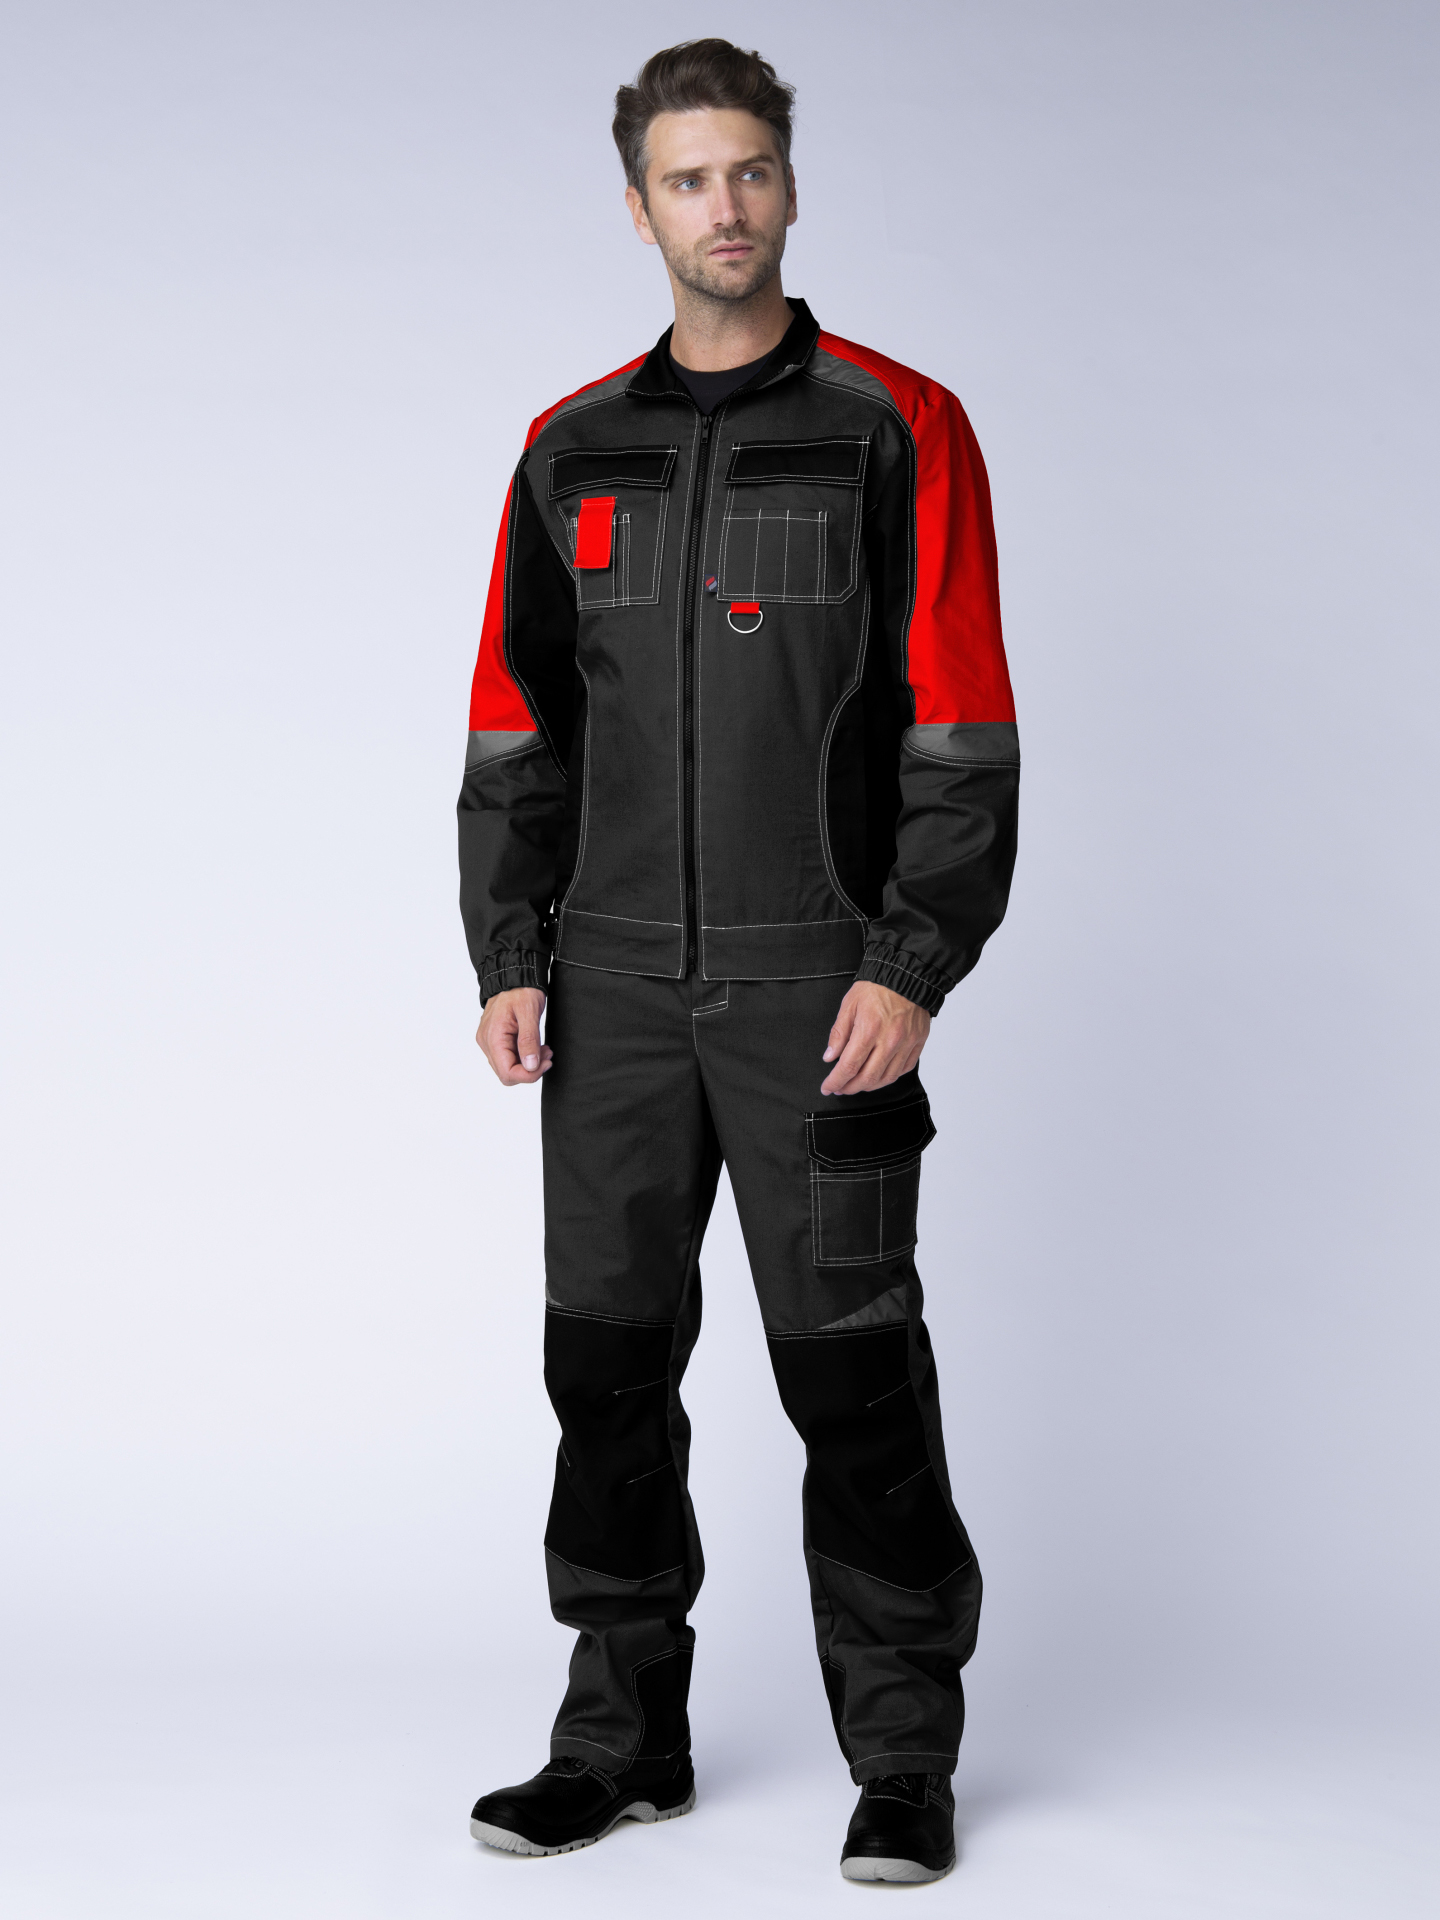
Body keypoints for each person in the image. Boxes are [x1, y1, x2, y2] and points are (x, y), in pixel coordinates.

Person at [458, 38, 1019, 1885]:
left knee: (852, 1380)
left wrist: (912, 962)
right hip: (609, 997)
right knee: (605, 1374)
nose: (726, 206)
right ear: (638, 209)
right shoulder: (570, 449)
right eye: (689, 179)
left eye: (751, 170)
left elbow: (962, 727)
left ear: (790, 185)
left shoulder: (895, 426)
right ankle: (622, 1740)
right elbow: (518, 722)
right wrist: (509, 949)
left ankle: (906, 1756)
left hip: (818, 995)